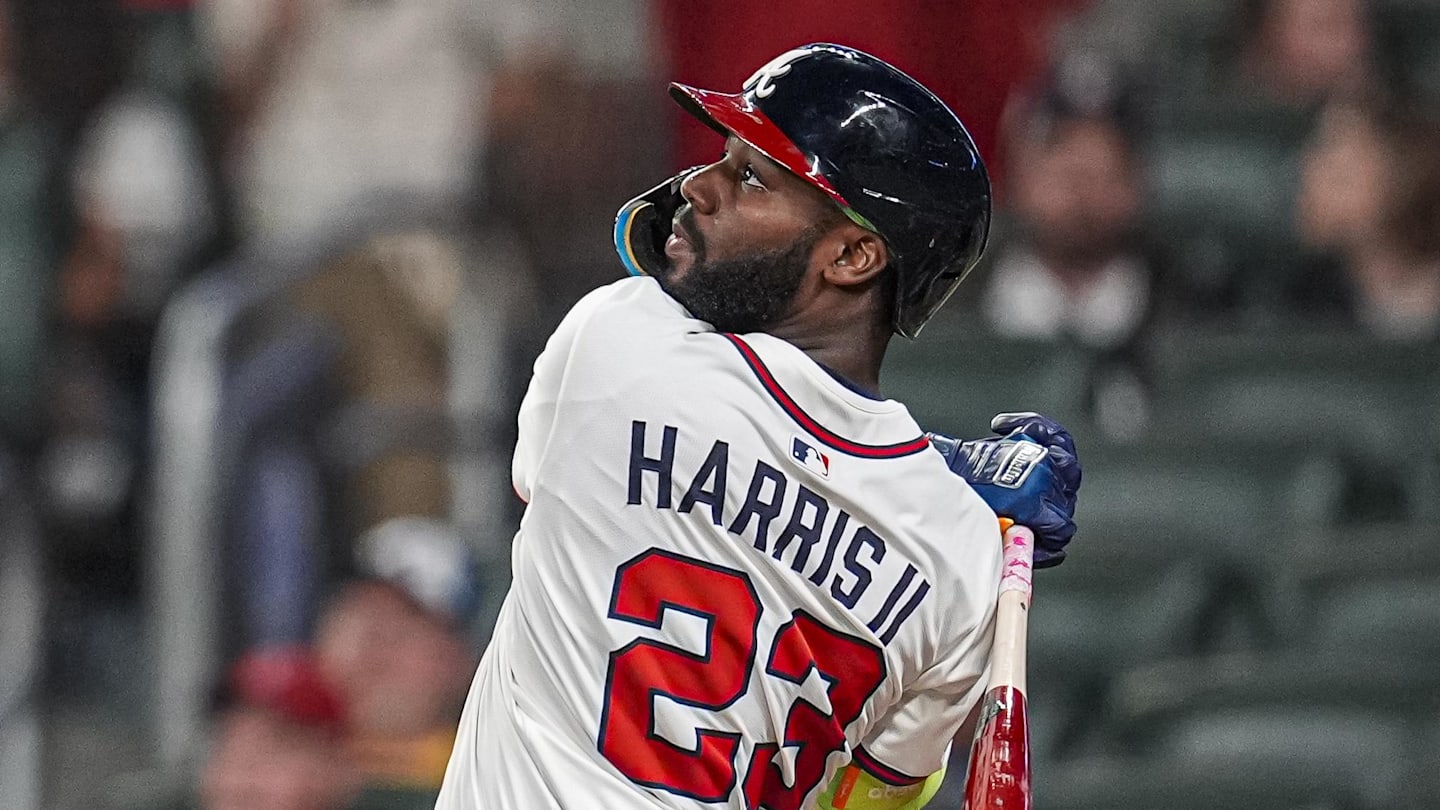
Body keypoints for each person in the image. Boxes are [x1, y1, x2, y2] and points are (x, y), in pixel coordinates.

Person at [437, 44, 1081, 810]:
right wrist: (942, 479)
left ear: (852, 254)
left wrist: (939, 471)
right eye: (724, 157)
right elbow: (872, 800)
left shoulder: (617, 342)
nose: (697, 187)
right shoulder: (962, 559)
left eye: (750, 177)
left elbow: (723, 411)